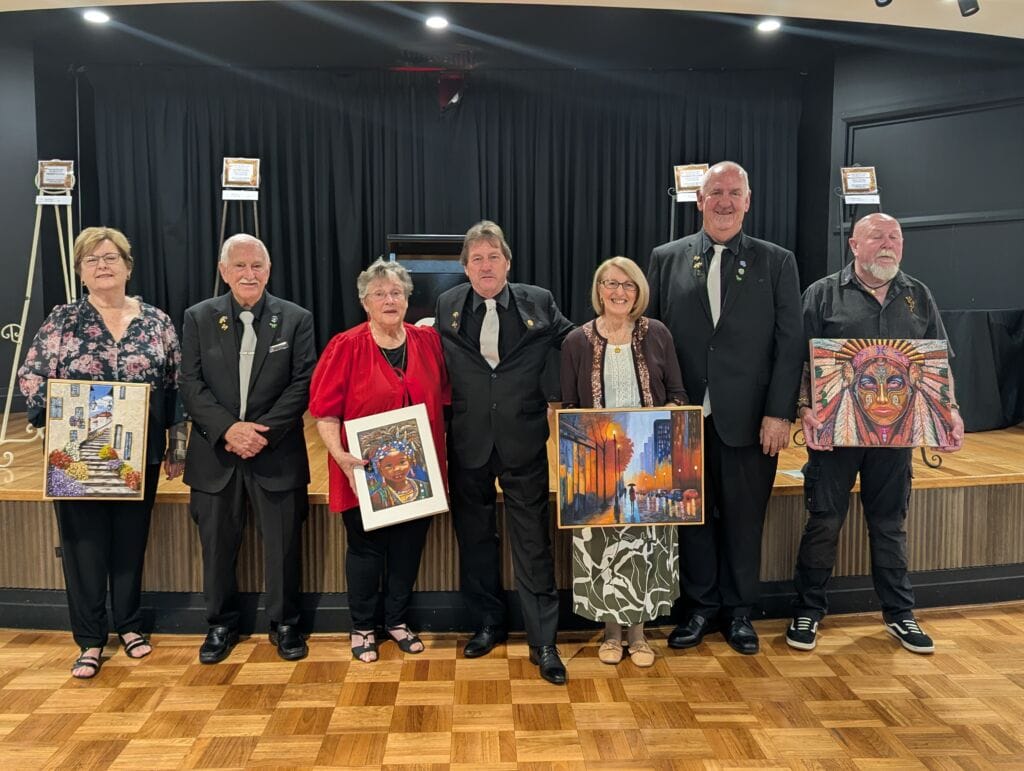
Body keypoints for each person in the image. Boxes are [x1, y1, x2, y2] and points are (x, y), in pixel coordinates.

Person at [788, 212, 964, 654]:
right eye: (877, 237)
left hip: (896, 437)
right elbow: (799, 361)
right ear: (854, 245)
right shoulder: (822, 294)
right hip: (834, 434)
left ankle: (900, 614)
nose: (888, 244)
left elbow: (938, 362)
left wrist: (951, 411)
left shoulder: (918, 294)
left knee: (890, 526)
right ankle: (807, 610)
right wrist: (805, 408)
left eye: (895, 237)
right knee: (823, 522)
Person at [647, 161, 804, 655]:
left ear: (748, 201)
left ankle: (739, 613)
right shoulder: (666, 258)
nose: (725, 201)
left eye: (735, 193)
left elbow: (790, 344)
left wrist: (779, 413)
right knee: (690, 517)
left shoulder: (777, 262)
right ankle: (699, 607)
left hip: (752, 420)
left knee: (744, 519)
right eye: (716, 192)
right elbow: (651, 340)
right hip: (682, 418)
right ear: (699, 200)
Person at [18, 226, 185, 679]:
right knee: (84, 548)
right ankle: (90, 639)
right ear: (80, 271)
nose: (102, 266)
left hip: (138, 452)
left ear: (128, 266)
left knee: (131, 542)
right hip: (76, 454)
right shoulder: (62, 321)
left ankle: (129, 625)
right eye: (91, 260)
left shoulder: (157, 322)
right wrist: (62, 415)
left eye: (111, 257)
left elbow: (176, 385)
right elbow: (31, 377)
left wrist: (178, 445)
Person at [435, 220, 574, 685]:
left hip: (523, 439)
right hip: (468, 441)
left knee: (532, 541)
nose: (485, 265)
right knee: (475, 539)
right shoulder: (448, 305)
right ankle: (487, 624)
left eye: (493, 256)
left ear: (508, 263)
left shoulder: (539, 301)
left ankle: (543, 641)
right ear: (465, 268)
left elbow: (575, 342)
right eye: (476, 259)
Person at [179, 233, 316, 663]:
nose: (248, 273)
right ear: (224, 271)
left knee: (283, 545)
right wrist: (228, 430)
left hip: (276, 451)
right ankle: (220, 624)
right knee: (216, 545)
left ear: (268, 270)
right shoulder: (198, 318)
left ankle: (286, 623)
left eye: (257, 265)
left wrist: (262, 433)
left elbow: (303, 383)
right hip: (215, 453)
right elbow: (190, 383)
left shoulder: (296, 319)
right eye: (239, 266)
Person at [308, 259, 449, 663]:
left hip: (418, 471)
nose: (389, 300)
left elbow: (445, 398)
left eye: (396, 293)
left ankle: (397, 621)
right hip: (361, 469)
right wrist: (341, 458)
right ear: (365, 302)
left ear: (407, 299)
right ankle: (363, 626)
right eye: (380, 294)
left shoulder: (427, 342)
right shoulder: (345, 346)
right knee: (366, 550)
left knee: (408, 547)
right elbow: (325, 413)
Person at [560, 257, 688, 668]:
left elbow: (678, 394)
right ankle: (611, 633)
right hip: (596, 471)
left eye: (628, 285)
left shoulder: (658, 334)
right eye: (611, 284)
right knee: (603, 549)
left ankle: (639, 634)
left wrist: (665, 420)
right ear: (599, 291)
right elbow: (568, 407)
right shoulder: (576, 341)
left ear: (639, 291)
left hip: (647, 472)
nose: (619, 292)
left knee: (644, 548)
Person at [368, 440, 433, 510]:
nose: (397, 469)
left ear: (410, 462)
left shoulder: (427, 487)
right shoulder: (377, 498)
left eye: (402, 462)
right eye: (389, 465)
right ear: (380, 469)